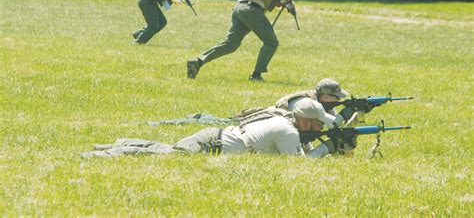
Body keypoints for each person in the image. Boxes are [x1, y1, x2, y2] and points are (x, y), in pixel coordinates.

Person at [81, 98, 356, 159]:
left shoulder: (287, 123)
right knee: (169, 156)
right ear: (306, 121)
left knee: (165, 150)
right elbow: (299, 166)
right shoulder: (287, 132)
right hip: (211, 144)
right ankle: (102, 154)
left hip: (214, 138)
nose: (321, 125)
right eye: (318, 122)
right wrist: (327, 147)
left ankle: (117, 143)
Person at [187, 0, 300, 81]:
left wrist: (280, 3)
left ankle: (197, 62)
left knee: (230, 44)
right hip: (251, 9)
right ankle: (256, 75)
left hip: (241, 8)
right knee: (271, 42)